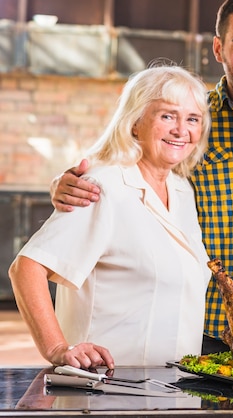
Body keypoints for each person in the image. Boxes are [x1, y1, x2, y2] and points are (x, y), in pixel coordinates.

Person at [48, 0, 233, 354]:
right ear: (219, 48)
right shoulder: (191, 118)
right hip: (205, 329)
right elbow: (127, 154)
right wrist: (67, 181)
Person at [9, 64, 212, 369]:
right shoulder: (103, 185)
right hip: (105, 390)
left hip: (172, 390)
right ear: (135, 124)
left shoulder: (181, 190)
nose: (181, 130)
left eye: (192, 119)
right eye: (167, 115)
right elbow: (26, 268)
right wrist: (57, 348)